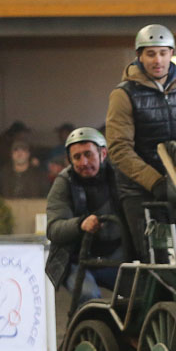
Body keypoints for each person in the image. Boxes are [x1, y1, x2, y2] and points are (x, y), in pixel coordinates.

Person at [106, 24, 176, 259]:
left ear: (171, 53)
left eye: (162, 52)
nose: (157, 60)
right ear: (139, 56)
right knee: (157, 258)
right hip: (141, 192)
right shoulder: (123, 94)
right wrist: (155, 182)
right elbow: (119, 149)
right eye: (150, 54)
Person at [45, 128, 128, 302]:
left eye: (88, 154)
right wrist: (80, 224)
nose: (83, 162)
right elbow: (53, 229)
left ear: (103, 153)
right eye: (77, 157)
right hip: (76, 260)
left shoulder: (119, 176)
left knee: (144, 291)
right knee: (88, 296)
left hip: (115, 257)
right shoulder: (63, 182)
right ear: (70, 160)